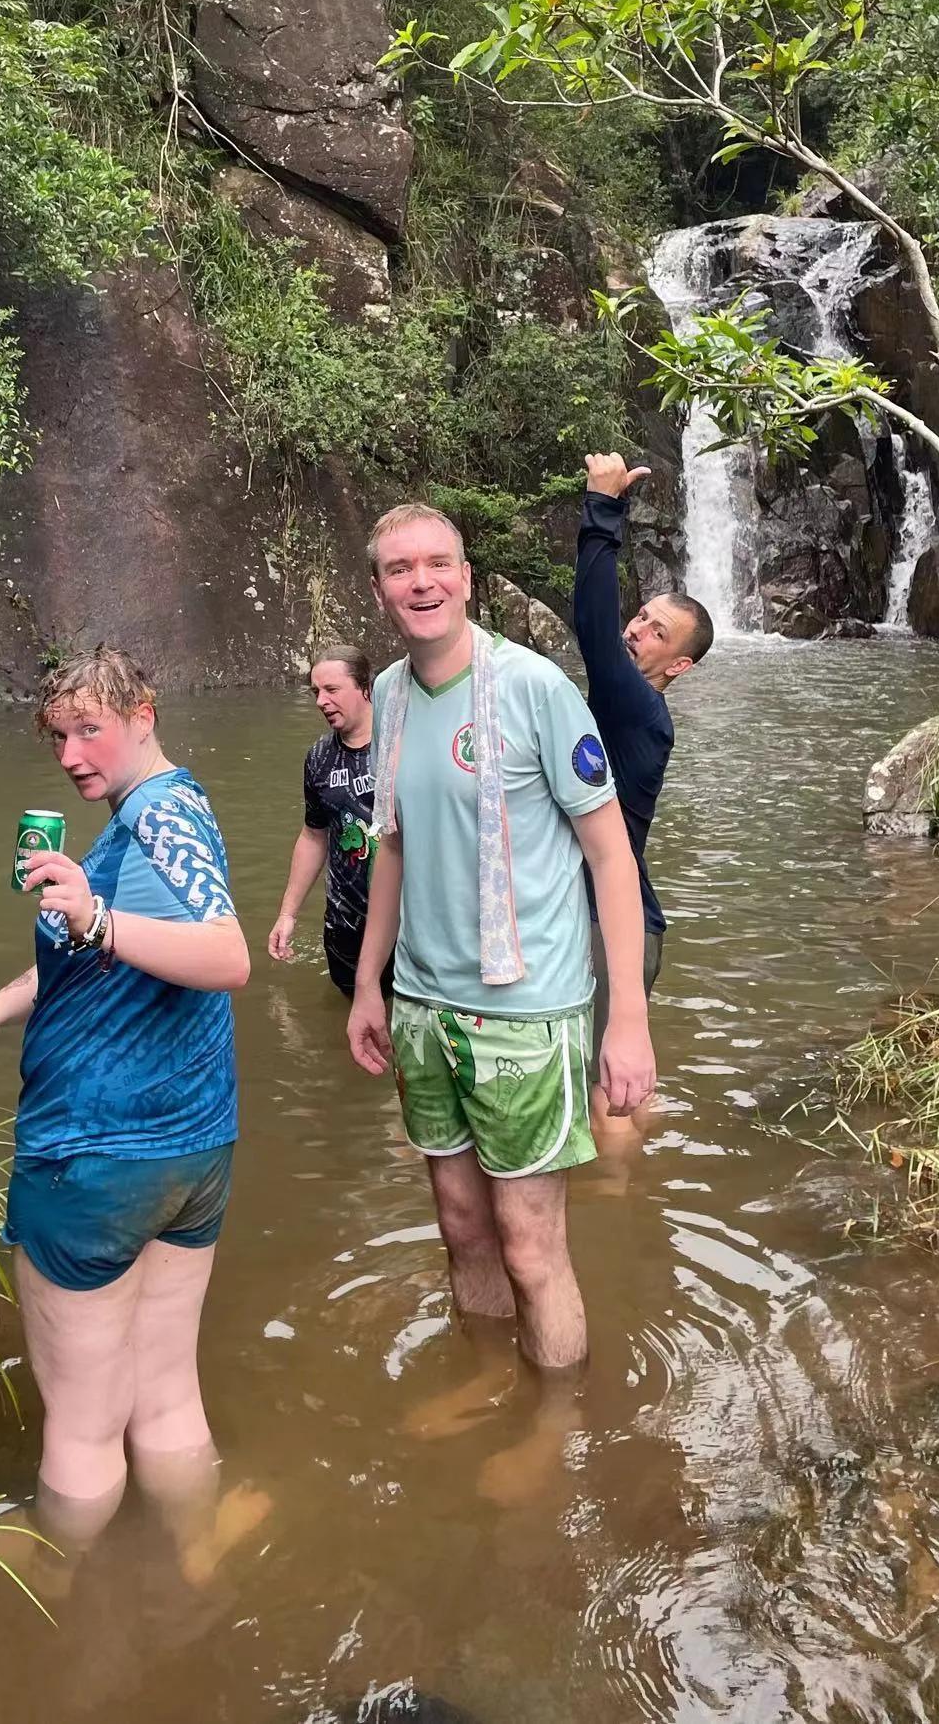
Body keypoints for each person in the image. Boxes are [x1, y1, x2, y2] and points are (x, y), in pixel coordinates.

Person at [0, 645, 253, 1557]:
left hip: (93, 1152)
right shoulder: (164, 810)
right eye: (60, 736)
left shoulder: (158, 818)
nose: (74, 753)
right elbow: (97, 966)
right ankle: (198, 1559)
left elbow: (227, 956)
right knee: (164, 1396)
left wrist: (93, 917)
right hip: (190, 1150)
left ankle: (61, 1604)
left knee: (81, 1428)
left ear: (143, 712)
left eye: (92, 729)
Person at [346, 503, 654, 1371]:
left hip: (527, 1009)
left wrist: (625, 1020)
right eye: (400, 568)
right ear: (378, 589)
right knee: (460, 1227)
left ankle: (553, 1432)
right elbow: (392, 848)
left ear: (467, 577)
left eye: (438, 563)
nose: (421, 581)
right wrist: (370, 984)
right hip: (424, 1004)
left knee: (529, 1245)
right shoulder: (388, 696)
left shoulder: (534, 688)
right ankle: (485, 1388)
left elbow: (611, 859)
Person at [574, 453, 712, 1121]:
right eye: (641, 614)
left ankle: (622, 1201)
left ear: (678, 664)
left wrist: (602, 510)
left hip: (612, 923)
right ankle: (628, 1198)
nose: (636, 628)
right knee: (606, 1082)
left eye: (657, 631)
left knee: (606, 1093)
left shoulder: (636, 707)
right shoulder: (630, 706)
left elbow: (596, 637)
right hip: (602, 913)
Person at [267, 644, 393, 999]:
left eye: (332, 690)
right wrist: (288, 914)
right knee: (352, 1022)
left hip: (410, 920)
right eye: (316, 692)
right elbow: (313, 836)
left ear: (366, 688)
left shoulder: (402, 743)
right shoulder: (319, 758)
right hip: (346, 921)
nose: (321, 701)